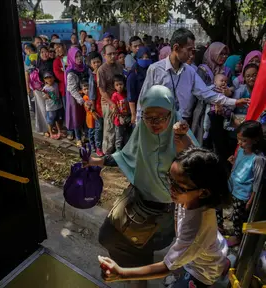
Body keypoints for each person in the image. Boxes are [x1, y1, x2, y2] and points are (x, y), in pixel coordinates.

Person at [87, 85, 197, 288]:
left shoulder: (180, 136)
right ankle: (131, 277)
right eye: (148, 116)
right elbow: (125, 155)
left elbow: (200, 168)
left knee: (139, 248)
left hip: (165, 212)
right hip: (138, 201)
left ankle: (133, 280)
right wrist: (95, 161)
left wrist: (185, 143)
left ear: (171, 113)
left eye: (161, 117)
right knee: (109, 237)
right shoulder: (142, 131)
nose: (154, 123)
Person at [98, 146, 231, 288]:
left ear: (203, 193)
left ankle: (220, 267)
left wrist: (121, 273)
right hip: (205, 250)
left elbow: (166, 267)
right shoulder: (192, 195)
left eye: (179, 187)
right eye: (170, 179)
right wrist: (181, 135)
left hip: (202, 271)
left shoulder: (195, 230)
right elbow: (197, 154)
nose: (170, 188)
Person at [137, 28, 249, 134]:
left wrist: (234, 102)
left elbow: (206, 94)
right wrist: (139, 127)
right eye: (189, 49)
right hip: (158, 124)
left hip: (182, 124)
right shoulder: (156, 69)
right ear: (176, 48)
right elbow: (143, 100)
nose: (192, 54)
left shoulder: (190, 71)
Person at [225, 121, 265, 247]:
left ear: (255, 140)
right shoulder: (242, 151)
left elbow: (258, 182)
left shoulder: (258, 158)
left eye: (243, 140)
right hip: (233, 187)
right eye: (238, 140)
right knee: (230, 211)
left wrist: (250, 200)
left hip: (243, 194)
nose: (240, 143)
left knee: (239, 217)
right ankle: (230, 230)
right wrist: (233, 162)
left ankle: (238, 237)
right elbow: (240, 167)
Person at [192, 42, 232, 161]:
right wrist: (216, 101)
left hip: (221, 112)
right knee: (203, 141)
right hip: (203, 111)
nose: (224, 57)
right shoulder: (203, 70)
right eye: (221, 54)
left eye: (226, 54)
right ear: (213, 53)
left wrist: (229, 91)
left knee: (218, 144)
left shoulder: (226, 70)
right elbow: (199, 91)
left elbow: (230, 88)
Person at [97, 44, 124, 154]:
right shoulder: (101, 70)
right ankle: (107, 152)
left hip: (120, 101)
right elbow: (102, 91)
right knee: (109, 128)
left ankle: (117, 151)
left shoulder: (119, 66)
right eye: (110, 54)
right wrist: (112, 104)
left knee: (119, 128)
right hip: (108, 103)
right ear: (104, 56)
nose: (113, 56)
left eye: (114, 53)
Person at [66, 47, 88, 147]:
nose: (79, 58)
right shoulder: (71, 72)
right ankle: (78, 138)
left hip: (84, 95)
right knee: (76, 117)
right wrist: (80, 99)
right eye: (76, 56)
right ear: (71, 57)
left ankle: (85, 135)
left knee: (85, 115)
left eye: (80, 56)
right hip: (75, 99)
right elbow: (72, 89)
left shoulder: (84, 67)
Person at [32, 46, 54, 136]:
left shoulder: (51, 62)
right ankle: (45, 129)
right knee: (43, 110)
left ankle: (51, 128)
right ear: (39, 54)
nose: (45, 54)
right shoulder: (37, 65)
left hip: (51, 89)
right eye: (42, 52)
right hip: (40, 90)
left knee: (51, 110)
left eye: (46, 51)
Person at [126, 47, 152, 126]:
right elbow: (131, 96)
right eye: (141, 57)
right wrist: (133, 114)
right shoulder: (133, 74)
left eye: (147, 57)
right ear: (137, 58)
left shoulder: (152, 72)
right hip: (138, 110)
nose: (144, 59)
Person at [203, 74, 231, 140]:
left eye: (226, 81)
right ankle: (206, 130)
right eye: (222, 81)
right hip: (212, 106)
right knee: (207, 116)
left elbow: (230, 94)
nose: (224, 83)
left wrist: (227, 92)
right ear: (215, 82)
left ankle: (226, 126)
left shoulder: (226, 89)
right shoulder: (212, 88)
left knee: (228, 113)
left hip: (223, 107)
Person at [88, 52, 104, 156]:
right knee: (98, 127)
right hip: (97, 106)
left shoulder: (104, 73)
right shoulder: (92, 78)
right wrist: (93, 109)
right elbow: (92, 95)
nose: (97, 64)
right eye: (94, 63)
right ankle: (98, 147)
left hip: (105, 105)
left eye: (98, 62)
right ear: (90, 64)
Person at [42, 72, 64, 140]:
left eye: (50, 77)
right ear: (45, 80)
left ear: (54, 78)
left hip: (58, 106)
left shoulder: (56, 84)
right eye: (47, 78)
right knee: (50, 121)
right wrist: (46, 96)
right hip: (50, 108)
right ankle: (51, 133)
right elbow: (43, 97)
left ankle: (59, 131)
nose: (49, 80)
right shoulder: (45, 88)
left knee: (58, 120)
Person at [111, 75, 130, 151]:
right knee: (119, 137)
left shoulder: (126, 93)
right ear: (114, 86)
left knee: (127, 136)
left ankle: (126, 152)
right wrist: (119, 117)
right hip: (119, 119)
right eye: (117, 85)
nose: (119, 86)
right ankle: (118, 153)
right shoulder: (115, 96)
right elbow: (114, 108)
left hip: (127, 118)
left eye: (121, 84)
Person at [81, 80, 97, 151]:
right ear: (82, 91)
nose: (87, 90)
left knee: (95, 131)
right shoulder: (85, 98)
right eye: (85, 89)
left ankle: (95, 144)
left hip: (94, 117)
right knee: (91, 131)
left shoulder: (92, 96)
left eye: (88, 88)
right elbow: (88, 107)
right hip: (90, 117)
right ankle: (92, 144)